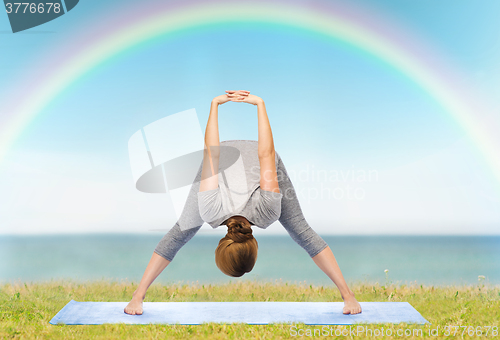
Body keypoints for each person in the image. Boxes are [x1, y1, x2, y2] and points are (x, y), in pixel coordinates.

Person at [124, 90, 362, 315]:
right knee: (180, 232)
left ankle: (349, 296)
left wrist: (251, 104)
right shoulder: (229, 210)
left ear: (255, 246)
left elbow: (220, 154)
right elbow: (245, 154)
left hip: (229, 159)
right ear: (220, 244)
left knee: (302, 232)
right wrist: (226, 104)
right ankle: (347, 295)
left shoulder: (235, 210)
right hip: (232, 158)